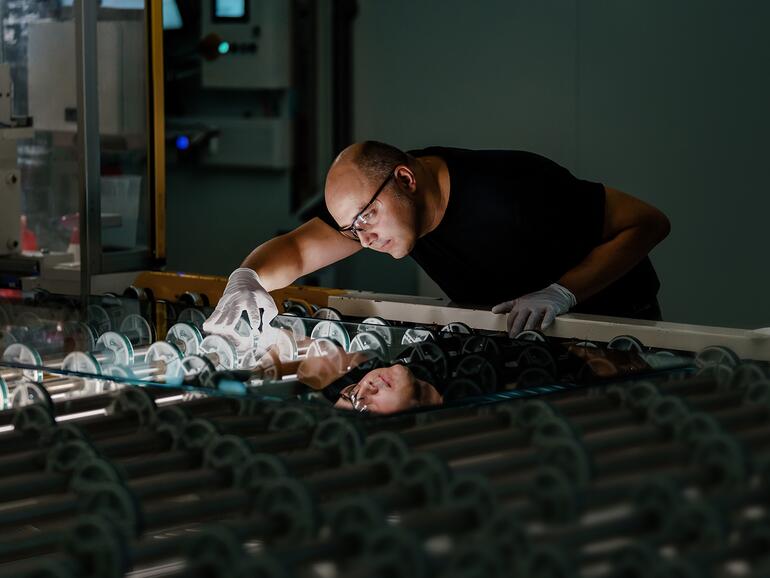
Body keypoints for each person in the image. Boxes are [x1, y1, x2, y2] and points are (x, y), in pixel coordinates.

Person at [203, 141, 670, 348]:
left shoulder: (513, 190)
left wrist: (562, 292)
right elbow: (300, 250)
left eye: (366, 218)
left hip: (619, 336)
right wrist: (248, 278)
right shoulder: (383, 205)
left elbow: (647, 223)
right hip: (530, 345)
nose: (364, 238)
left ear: (405, 179)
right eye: (352, 229)